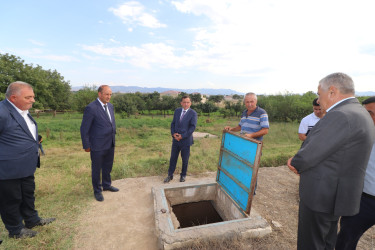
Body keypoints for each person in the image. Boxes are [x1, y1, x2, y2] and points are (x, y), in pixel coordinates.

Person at [287, 73, 375, 250]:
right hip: (336, 196)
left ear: (333, 91)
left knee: (311, 243)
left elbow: (311, 153)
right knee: (327, 242)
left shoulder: (341, 115)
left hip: (322, 195)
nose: (318, 101)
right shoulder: (359, 112)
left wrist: (295, 162)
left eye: (319, 94)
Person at [0, 81, 55, 239]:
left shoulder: (22, 110)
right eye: (28, 97)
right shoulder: (2, 112)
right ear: (13, 97)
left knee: (28, 195)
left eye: (33, 97)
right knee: (11, 200)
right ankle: (16, 230)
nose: (33, 100)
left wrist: (34, 139)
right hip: (7, 168)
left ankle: (32, 220)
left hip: (26, 165)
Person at [335, 96, 375, 250]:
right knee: (346, 239)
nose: (367, 117)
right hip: (363, 200)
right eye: (366, 113)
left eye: (370, 113)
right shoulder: (360, 133)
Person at [80, 85, 118, 202]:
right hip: (97, 145)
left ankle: (106, 185)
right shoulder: (91, 108)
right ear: (99, 94)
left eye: (110, 94)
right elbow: (84, 128)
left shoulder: (110, 106)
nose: (109, 97)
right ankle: (97, 191)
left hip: (110, 143)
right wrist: (86, 145)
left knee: (108, 166)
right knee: (97, 169)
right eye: (107, 94)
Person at [164, 95, 197, 183]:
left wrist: (182, 136)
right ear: (181, 103)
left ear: (190, 103)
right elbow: (173, 124)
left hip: (186, 141)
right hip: (175, 140)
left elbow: (192, 128)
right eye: (184, 102)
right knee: (173, 158)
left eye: (188, 102)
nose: (186, 104)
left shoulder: (193, 113)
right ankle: (170, 175)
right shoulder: (177, 111)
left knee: (185, 159)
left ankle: (183, 175)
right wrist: (173, 134)